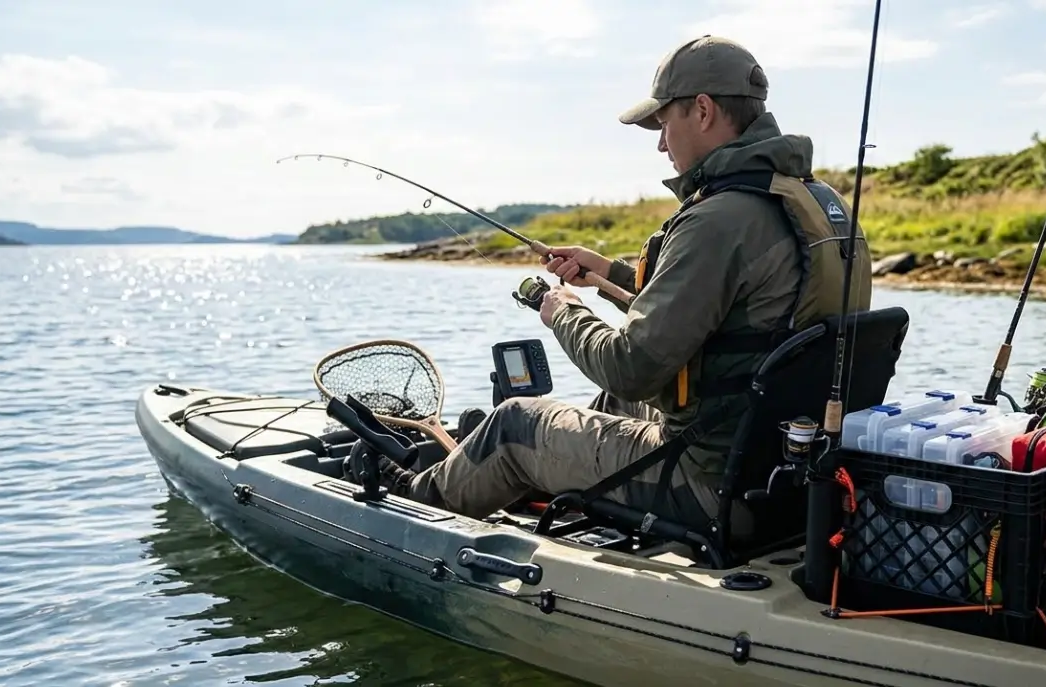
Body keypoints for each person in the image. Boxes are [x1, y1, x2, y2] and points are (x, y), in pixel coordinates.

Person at [366, 35, 872, 540]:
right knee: (612, 402)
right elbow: (734, 320)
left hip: (712, 486)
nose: (659, 142)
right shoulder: (814, 203)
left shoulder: (718, 219)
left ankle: (414, 502)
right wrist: (609, 276)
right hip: (787, 472)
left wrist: (561, 308)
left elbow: (629, 366)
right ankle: (549, 483)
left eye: (663, 123)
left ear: (701, 110)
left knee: (513, 424)